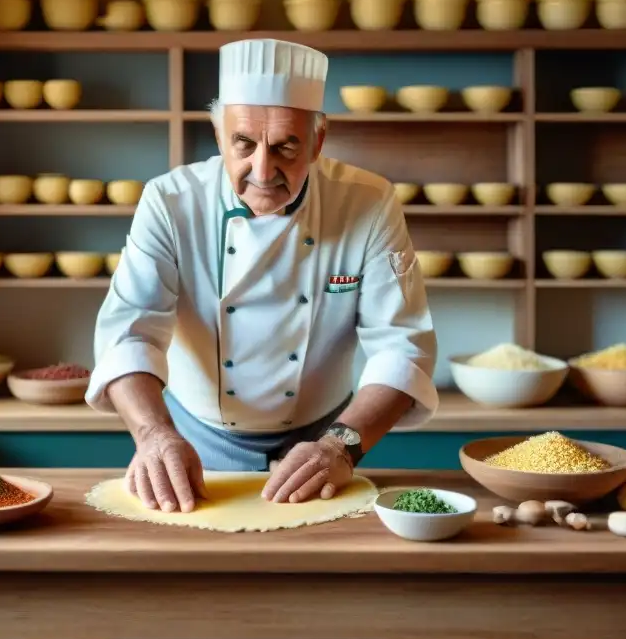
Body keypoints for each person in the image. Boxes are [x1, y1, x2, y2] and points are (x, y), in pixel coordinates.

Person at [85, 38, 438, 513]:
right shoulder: (170, 202)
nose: (263, 169)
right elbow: (129, 335)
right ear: (218, 136)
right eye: (244, 144)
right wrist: (153, 434)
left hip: (329, 442)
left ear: (318, 140)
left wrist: (339, 447)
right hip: (194, 445)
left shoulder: (368, 203)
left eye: (286, 147)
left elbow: (401, 347)